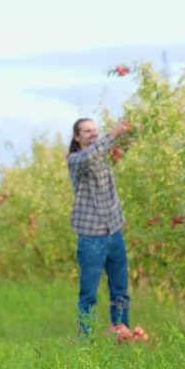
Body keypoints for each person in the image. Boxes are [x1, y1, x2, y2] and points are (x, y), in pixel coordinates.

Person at [66, 117, 135, 339]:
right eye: (87, 131)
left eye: (95, 129)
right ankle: (84, 339)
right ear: (77, 137)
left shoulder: (104, 155)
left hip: (114, 229)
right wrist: (114, 133)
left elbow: (120, 148)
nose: (93, 133)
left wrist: (131, 132)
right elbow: (90, 155)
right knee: (88, 294)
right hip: (91, 234)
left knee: (120, 291)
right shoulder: (76, 159)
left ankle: (121, 334)